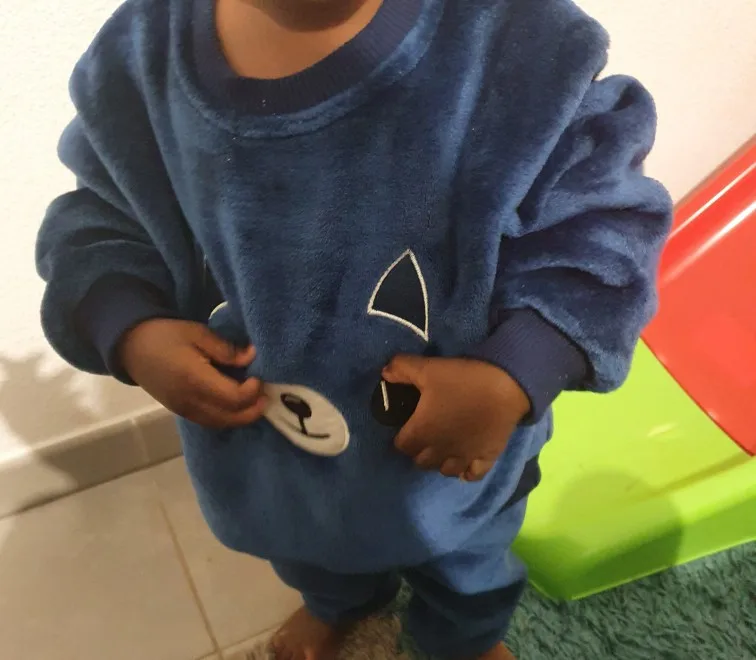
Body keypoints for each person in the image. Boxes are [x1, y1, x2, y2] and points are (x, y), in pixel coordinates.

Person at [36, 0, 672, 658]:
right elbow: (103, 215)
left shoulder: (520, 43)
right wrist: (131, 327)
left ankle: (463, 639)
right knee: (306, 545)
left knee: (470, 569)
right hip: (272, 449)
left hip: (458, 446)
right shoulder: (140, 53)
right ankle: (338, 603)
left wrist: (516, 369)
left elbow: (601, 226)